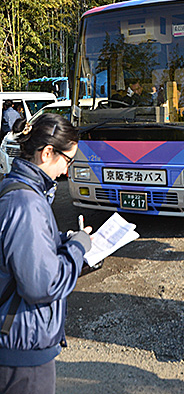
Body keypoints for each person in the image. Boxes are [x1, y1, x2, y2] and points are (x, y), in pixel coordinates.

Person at [0, 113, 92, 394]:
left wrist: (61, 240)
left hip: (16, 342)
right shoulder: (26, 203)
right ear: (47, 152)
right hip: (22, 352)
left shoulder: (15, 189)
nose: (67, 171)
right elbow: (43, 285)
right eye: (68, 160)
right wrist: (78, 248)